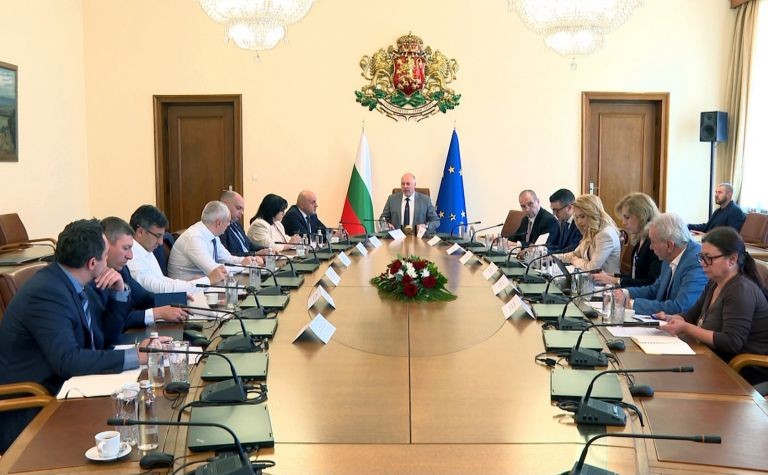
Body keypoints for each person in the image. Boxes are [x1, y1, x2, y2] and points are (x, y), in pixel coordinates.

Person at [0, 219, 151, 452]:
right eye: (105, 255)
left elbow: (103, 340)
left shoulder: (72, 283)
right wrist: (134, 356)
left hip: (70, 388)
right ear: (92, 263)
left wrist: (119, 292)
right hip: (33, 405)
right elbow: (67, 361)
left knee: (134, 410)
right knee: (132, 426)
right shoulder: (48, 292)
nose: (108, 262)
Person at [658, 227, 768, 385]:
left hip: (740, 372)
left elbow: (731, 342)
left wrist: (685, 327)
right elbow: (691, 315)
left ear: (732, 259)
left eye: (708, 258)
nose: (702, 263)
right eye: (701, 257)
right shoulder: (714, 282)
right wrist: (671, 318)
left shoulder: (741, 290)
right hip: (712, 360)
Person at [101, 217, 188, 329]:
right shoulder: (93, 279)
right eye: (126, 248)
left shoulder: (122, 269)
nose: (130, 256)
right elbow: (115, 321)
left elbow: (142, 298)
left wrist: (180, 299)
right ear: (105, 245)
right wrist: (157, 313)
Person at [127, 205, 227, 292]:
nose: (161, 242)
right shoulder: (130, 256)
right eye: (158, 236)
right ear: (140, 232)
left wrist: (190, 283)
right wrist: (207, 281)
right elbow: (160, 289)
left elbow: (161, 280)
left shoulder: (145, 249)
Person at [623, 213, 708, 315]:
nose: (650, 247)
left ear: (669, 245)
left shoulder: (697, 263)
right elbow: (655, 290)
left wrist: (631, 304)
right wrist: (624, 293)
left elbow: (680, 308)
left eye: (653, 242)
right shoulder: (668, 256)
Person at [168, 201, 261, 280]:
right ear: (219, 223)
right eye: (228, 221)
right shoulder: (194, 238)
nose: (229, 224)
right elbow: (215, 270)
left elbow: (227, 258)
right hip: (188, 289)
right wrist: (243, 266)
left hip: (204, 283)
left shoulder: (212, 234)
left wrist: (246, 260)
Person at [593, 192, 662, 287]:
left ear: (642, 216)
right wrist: (614, 276)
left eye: (627, 217)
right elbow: (636, 276)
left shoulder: (654, 243)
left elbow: (652, 283)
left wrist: (615, 280)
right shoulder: (640, 239)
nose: (623, 223)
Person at [553, 194, 621, 273]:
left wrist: (576, 261)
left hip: (605, 280)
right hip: (589, 278)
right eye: (577, 217)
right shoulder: (591, 230)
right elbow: (575, 254)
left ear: (593, 214)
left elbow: (592, 268)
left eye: (582, 216)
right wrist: (553, 257)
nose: (579, 222)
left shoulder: (605, 234)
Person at [219, 190, 265, 256]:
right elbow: (226, 256)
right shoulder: (219, 227)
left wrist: (266, 250)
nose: (242, 213)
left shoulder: (237, 224)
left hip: (251, 260)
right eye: (238, 208)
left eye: (242, 209)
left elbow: (249, 244)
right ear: (225, 205)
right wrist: (254, 254)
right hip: (239, 262)